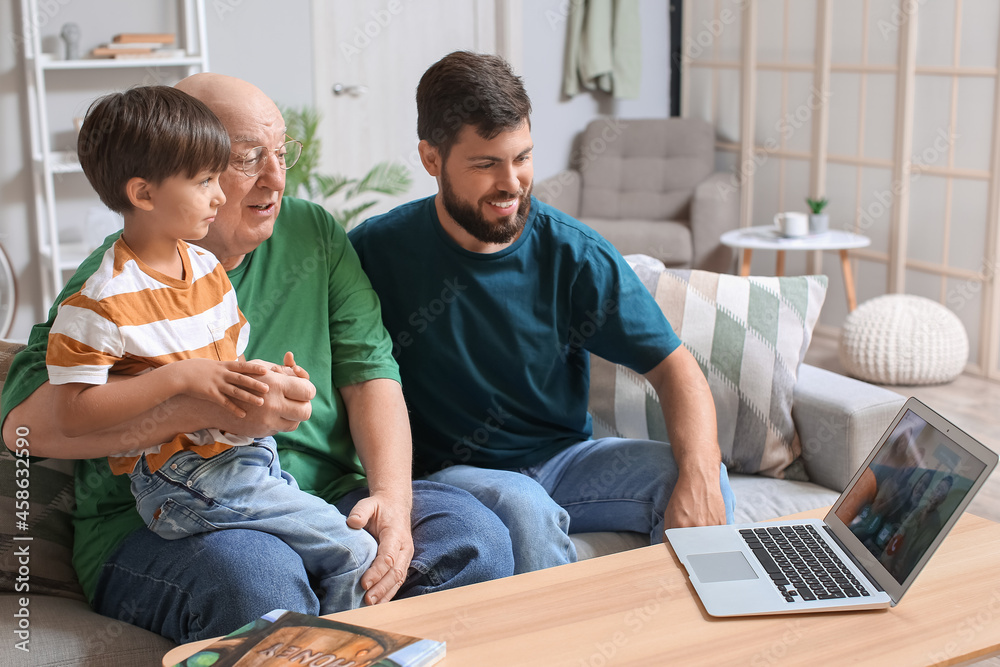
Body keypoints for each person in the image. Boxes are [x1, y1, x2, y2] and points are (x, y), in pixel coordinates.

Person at [1, 74, 514, 644]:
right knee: (259, 576)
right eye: (247, 159)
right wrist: (201, 408)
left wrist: (392, 500)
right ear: (177, 166)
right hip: (169, 516)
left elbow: (371, 372)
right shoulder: (111, 287)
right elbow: (27, 427)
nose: (275, 178)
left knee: (473, 537)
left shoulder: (311, 232)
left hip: (313, 494)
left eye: (281, 151)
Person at [348, 51, 736, 574]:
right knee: (522, 504)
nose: (511, 183)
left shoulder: (573, 252)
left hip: (567, 462)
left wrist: (701, 476)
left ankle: (703, 640)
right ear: (432, 159)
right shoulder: (376, 250)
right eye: (486, 164)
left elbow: (674, 368)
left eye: (523, 158)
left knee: (700, 473)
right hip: (453, 474)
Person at [48, 85, 380, 614]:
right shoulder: (100, 299)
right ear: (144, 194)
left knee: (418, 537)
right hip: (180, 480)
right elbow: (70, 413)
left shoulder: (204, 271)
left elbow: (229, 366)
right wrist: (178, 381)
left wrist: (271, 381)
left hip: (247, 461)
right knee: (353, 551)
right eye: (208, 179)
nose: (220, 194)